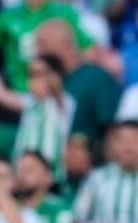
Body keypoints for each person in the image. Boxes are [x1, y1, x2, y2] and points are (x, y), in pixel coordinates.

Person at [0, 51, 73, 176]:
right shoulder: (32, 103)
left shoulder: (62, 102)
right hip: (22, 174)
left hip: (50, 177)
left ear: (56, 77)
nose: (33, 81)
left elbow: (56, 91)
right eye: (30, 75)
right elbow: (0, 95)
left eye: (38, 74)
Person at [34, 19, 122, 149]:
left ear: (65, 44)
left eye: (42, 44)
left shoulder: (96, 79)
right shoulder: (43, 81)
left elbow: (113, 129)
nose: (37, 51)